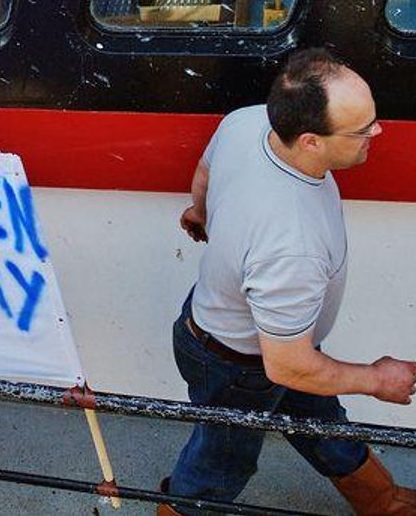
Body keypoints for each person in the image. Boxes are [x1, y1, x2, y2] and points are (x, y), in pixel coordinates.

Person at [162, 48, 416, 516]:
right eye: (363, 129)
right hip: (241, 366)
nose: (377, 133)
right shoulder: (290, 243)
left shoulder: (249, 121)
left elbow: (205, 170)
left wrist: (200, 212)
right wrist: (378, 379)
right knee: (222, 463)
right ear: (311, 141)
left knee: (322, 421)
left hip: (255, 338)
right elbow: (286, 368)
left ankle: (382, 500)